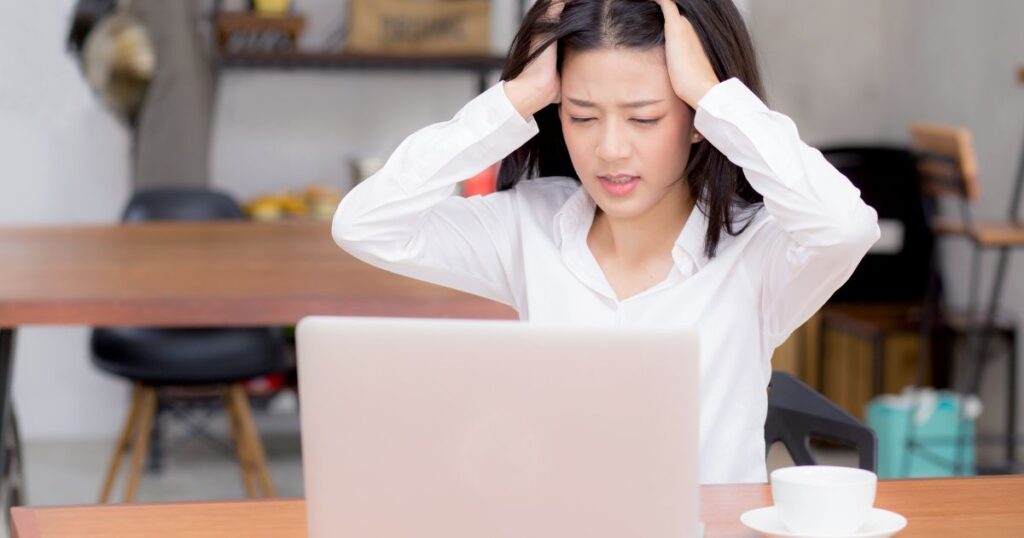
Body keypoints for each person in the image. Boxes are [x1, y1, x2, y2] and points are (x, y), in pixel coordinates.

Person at [332, 0, 880, 485]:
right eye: (582, 115)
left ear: (699, 122)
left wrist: (716, 97)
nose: (610, 149)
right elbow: (365, 225)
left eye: (644, 118)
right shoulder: (528, 229)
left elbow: (846, 227)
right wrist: (516, 97)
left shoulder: (758, 252)